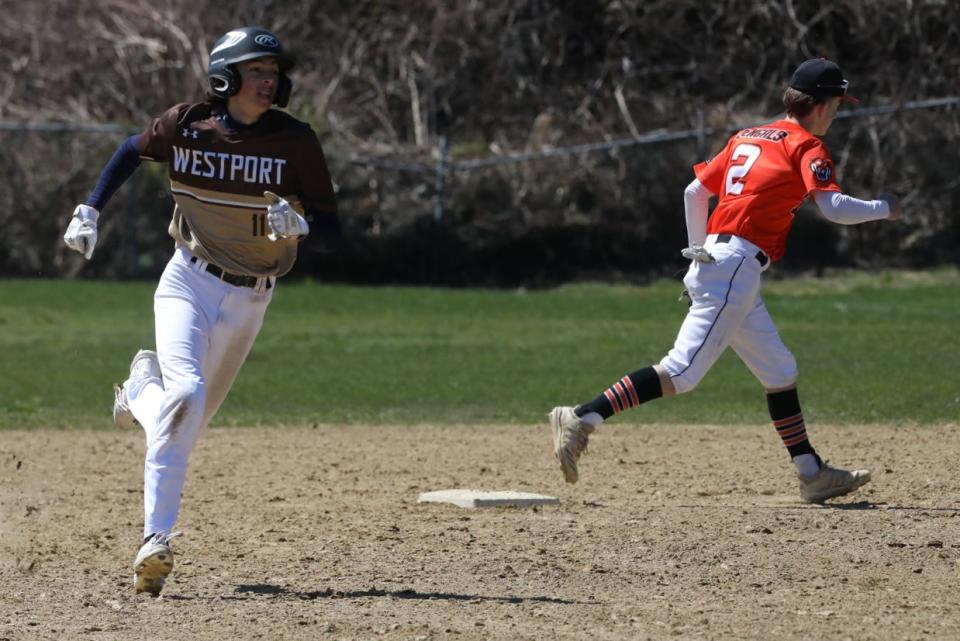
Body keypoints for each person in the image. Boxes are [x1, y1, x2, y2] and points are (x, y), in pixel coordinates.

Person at [63, 26, 340, 596]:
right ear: (225, 77)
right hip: (188, 280)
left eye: (273, 70)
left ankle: (140, 391)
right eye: (256, 69)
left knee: (187, 425)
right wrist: (90, 206)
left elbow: (336, 231)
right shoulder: (187, 126)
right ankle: (154, 543)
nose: (270, 79)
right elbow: (130, 150)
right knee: (185, 396)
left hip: (253, 296)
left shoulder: (295, 141)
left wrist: (305, 225)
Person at [549, 58, 902, 504]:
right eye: (836, 103)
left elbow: (695, 192)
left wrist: (699, 252)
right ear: (816, 104)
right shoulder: (806, 146)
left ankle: (812, 473)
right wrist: (885, 207)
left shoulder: (749, 136)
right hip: (736, 266)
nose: (837, 112)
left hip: (723, 261)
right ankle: (583, 416)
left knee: (780, 370)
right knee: (681, 372)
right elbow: (833, 209)